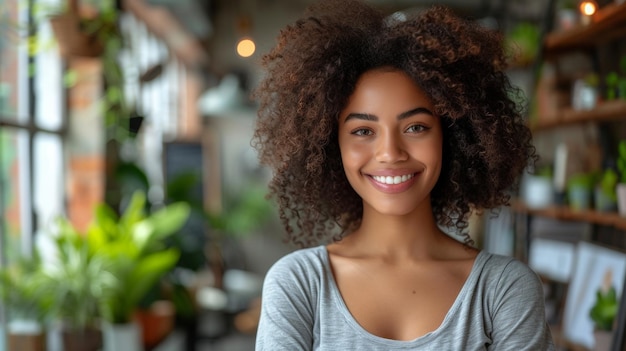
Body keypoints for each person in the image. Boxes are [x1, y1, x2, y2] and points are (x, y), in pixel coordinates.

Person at [251, 0, 555, 350]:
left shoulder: (503, 289)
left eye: (415, 127)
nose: (391, 153)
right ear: (330, 145)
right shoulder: (298, 284)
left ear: (453, 136)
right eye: (363, 131)